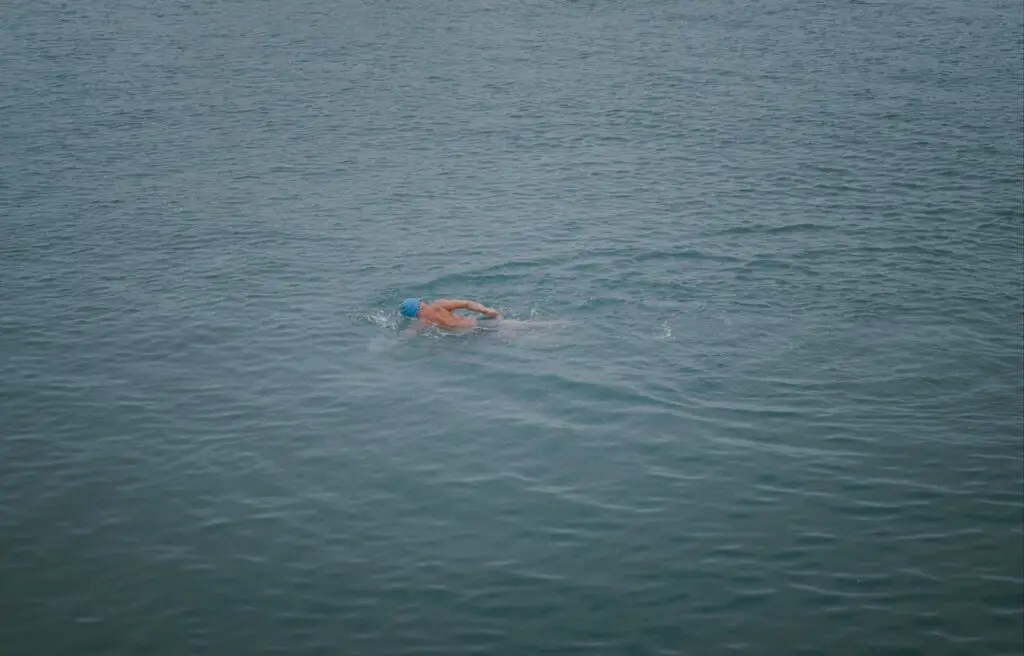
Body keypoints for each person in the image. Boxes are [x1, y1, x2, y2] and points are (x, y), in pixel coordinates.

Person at [399, 297, 500, 332]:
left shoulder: (422, 322)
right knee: (507, 325)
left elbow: (409, 334)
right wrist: (485, 311)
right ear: (420, 303)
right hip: (473, 324)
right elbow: (466, 303)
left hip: (463, 335)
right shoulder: (438, 304)